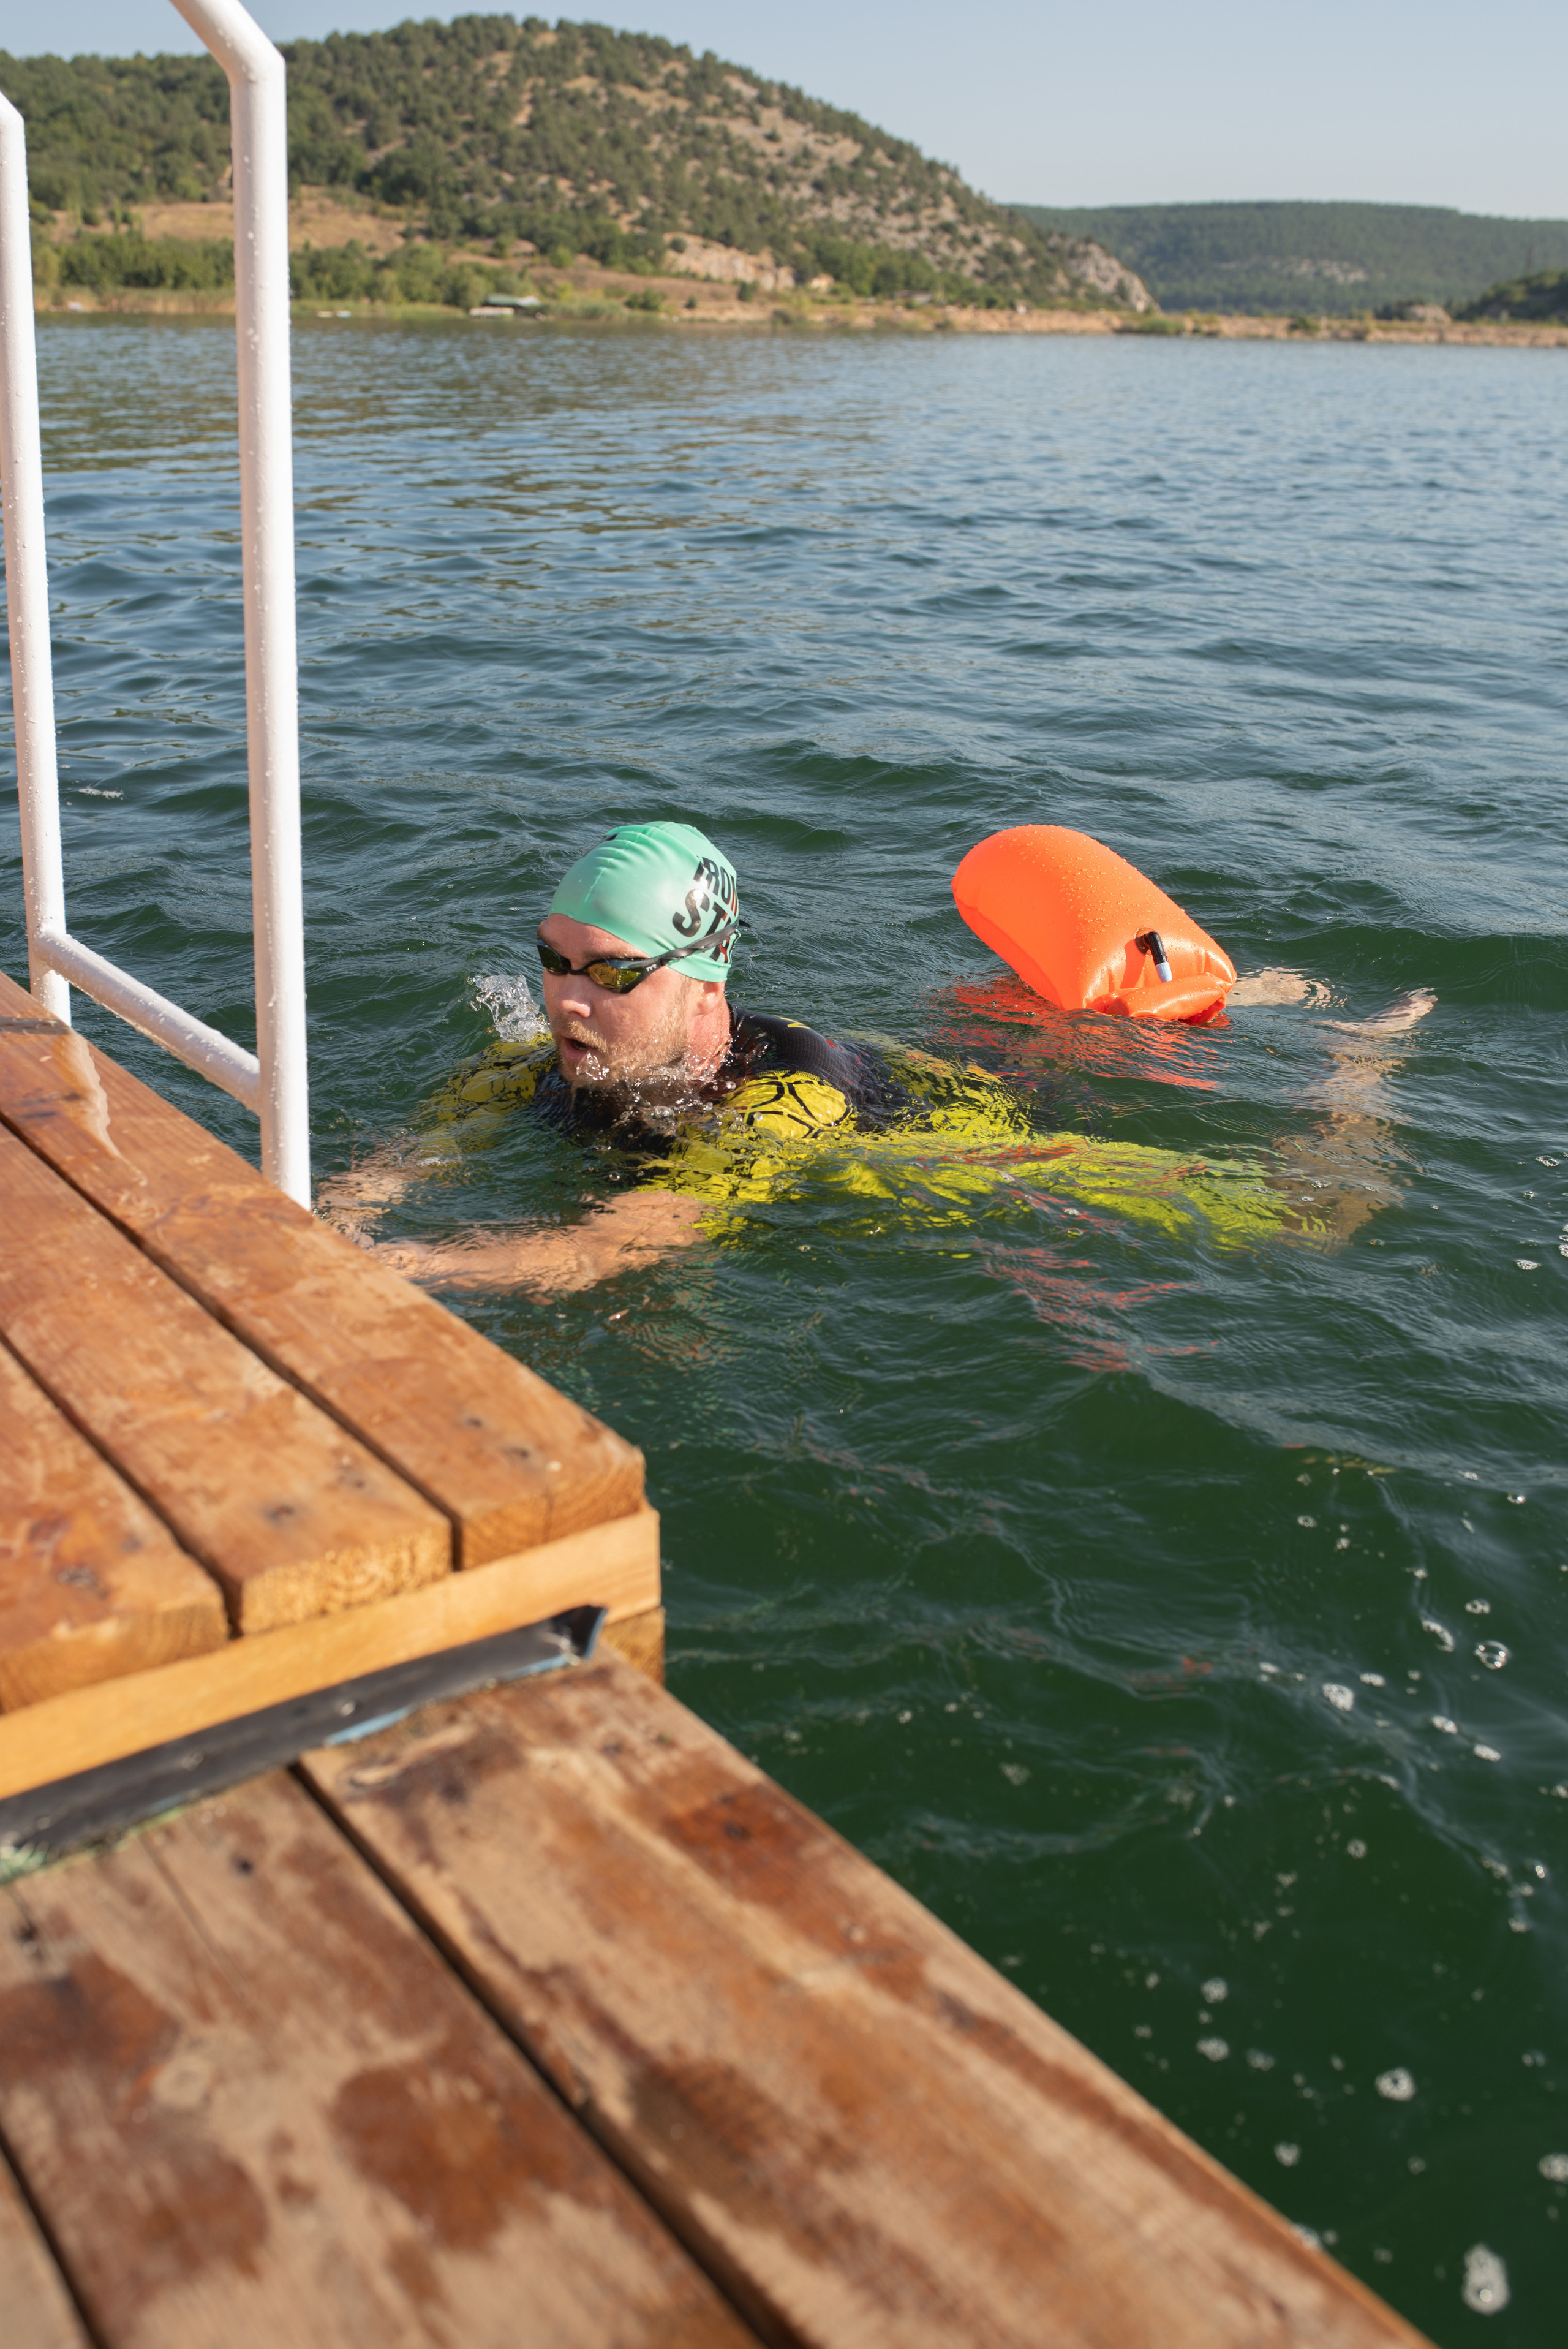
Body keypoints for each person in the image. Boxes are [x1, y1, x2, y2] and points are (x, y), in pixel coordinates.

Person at [319, 819, 1396, 1292]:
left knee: (1310, 1214)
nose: (562, 998)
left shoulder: (781, 1102)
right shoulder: (533, 1064)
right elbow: (387, 1171)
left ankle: (1354, 1051)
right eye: (550, 960)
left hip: (944, 1125)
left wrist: (401, 1267)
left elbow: (618, 1247)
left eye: (607, 973)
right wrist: (339, 1224)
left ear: (703, 984)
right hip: (883, 1060)